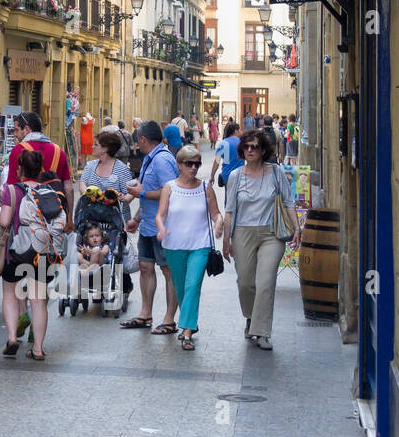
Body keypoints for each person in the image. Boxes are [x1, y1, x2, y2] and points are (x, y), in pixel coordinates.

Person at [223, 128, 299, 351]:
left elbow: (289, 202)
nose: (249, 150)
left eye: (254, 147)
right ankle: (250, 317)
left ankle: (262, 331)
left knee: (265, 282)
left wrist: (297, 228)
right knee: (246, 282)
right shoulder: (236, 176)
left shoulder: (275, 172)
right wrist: (226, 240)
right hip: (243, 232)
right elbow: (229, 210)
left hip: (271, 233)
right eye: (246, 146)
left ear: (263, 150)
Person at [0, 150, 66, 360]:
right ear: (40, 170)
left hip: (17, 251)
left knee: (10, 293)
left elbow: (4, 222)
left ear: (19, 169)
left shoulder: (11, 190)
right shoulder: (49, 191)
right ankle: (37, 348)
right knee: (38, 301)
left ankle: (11, 337)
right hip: (42, 250)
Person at [155, 145, 222, 351]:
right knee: (182, 287)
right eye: (189, 164)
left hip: (200, 245)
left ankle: (186, 332)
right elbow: (160, 214)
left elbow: (216, 214)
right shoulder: (169, 187)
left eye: (197, 164)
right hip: (174, 245)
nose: (193, 168)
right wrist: (160, 228)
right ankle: (190, 323)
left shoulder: (205, 188)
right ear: (179, 165)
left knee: (193, 285)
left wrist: (219, 223)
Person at [119, 120, 180, 335]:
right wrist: (137, 217)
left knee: (167, 271)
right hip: (147, 224)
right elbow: (148, 189)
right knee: (145, 268)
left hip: (162, 226)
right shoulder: (149, 158)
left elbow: (170, 191)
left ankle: (169, 319)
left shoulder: (162, 160)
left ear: (143, 139)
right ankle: (145, 314)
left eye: (138, 140)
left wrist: (140, 194)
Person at [6, 112, 74, 208]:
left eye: (16, 130)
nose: (15, 134)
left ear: (27, 129)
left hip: (26, 213)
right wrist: (70, 217)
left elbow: (11, 186)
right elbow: (68, 188)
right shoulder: (59, 152)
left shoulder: (18, 150)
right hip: (55, 214)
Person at [208, 121, 243, 189]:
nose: (240, 131)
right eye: (239, 130)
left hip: (227, 175)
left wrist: (212, 175)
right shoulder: (242, 143)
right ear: (235, 131)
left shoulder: (224, 143)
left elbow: (217, 162)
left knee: (228, 197)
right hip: (240, 175)